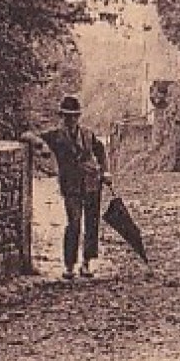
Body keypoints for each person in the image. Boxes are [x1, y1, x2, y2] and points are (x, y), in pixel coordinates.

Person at [25, 95, 109, 281]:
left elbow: (101, 150)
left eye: (74, 116)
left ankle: (86, 263)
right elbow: (27, 135)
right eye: (66, 116)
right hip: (71, 185)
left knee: (91, 224)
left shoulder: (87, 134)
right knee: (74, 223)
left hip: (92, 182)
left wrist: (105, 172)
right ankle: (69, 265)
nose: (70, 120)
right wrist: (40, 144)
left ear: (78, 116)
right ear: (61, 116)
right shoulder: (55, 136)